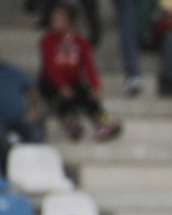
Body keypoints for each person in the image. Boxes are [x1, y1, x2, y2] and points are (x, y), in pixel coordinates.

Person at [38, 2, 121, 142]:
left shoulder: (80, 42)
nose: (54, 21)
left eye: (59, 18)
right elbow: (50, 67)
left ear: (70, 22)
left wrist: (95, 86)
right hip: (52, 84)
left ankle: (105, 122)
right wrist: (62, 86)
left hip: (73, 81)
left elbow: (89, 65)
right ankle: (70, 122)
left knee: (90, 98)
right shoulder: (47, 41)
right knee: (57, 99)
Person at [0, 52, 44, 171]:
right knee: (2, 141)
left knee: (36, 135)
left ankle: (31, 170)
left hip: (19, 117)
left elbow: (33, 91)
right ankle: (8, 170)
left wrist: (34, 110)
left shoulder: (13, 71)